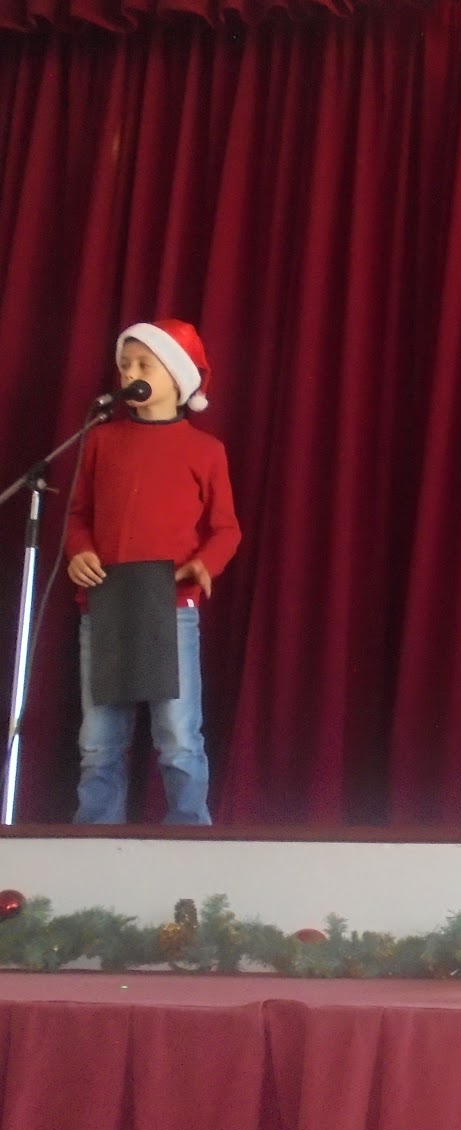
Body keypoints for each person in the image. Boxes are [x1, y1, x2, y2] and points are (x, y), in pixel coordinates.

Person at [64, 319, 241, 825]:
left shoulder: (205, 450)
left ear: (178, 376)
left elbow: (227, 529)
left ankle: (188, 833)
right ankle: (95, 836)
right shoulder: (101, 441)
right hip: (105, 606)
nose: (130, 374)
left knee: (178, 735)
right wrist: (79, 551)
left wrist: (204, 564)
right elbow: (78, 515)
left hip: (171, 605)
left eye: (145, 364)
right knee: (99, 740)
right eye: (125, 365)